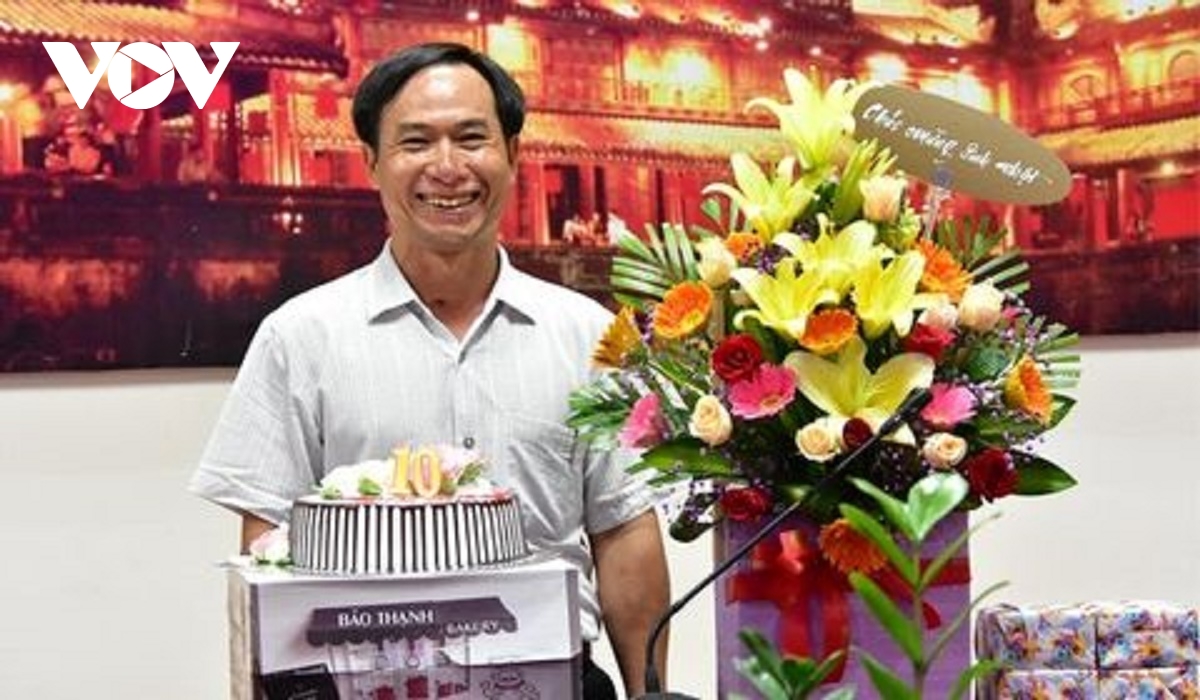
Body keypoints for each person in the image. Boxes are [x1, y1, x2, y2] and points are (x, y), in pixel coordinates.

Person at [189, 42, 670, 699]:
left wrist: (650, 692)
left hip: (552, 679)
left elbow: (624, 530)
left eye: (471, 138)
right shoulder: (300, 337)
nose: (447, 168)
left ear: (513, 153)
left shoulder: (588, 335)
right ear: (372, 162)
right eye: (416, 142)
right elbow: (269, 542)